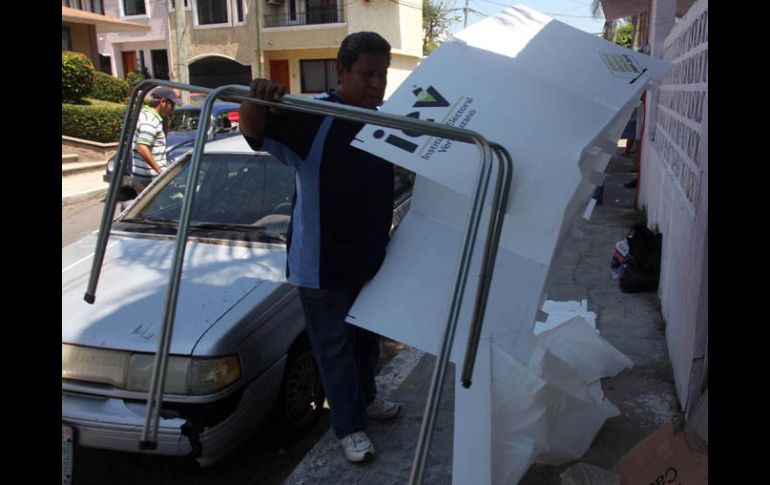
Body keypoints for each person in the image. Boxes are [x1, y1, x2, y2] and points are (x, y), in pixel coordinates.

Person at [239, 31, 401, 463]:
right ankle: (348, 427)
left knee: (366, 342)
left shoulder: (383, 121)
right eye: (366, 74)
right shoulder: (315, 116)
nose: (376, 84)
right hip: (322, 264)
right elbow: (253, 128)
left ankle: (366, 400)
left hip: (369, 259)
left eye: (382, 75)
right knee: (335, 350)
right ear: (341, 71)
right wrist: (257, 96)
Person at [131, 87, 182, 194]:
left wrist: (165, 119)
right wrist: (160, 171)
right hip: (149, 179)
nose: (173, 109)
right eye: (172, 105)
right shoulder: (150, 121)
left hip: (145, 177)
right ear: (163, 102)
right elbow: (142, 148)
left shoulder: (146, 115)